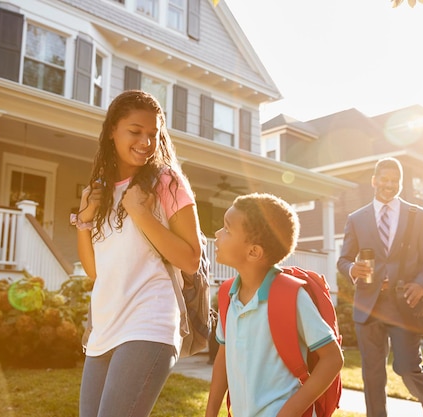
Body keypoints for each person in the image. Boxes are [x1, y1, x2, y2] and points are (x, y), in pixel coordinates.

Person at [72, 90, 202, 417]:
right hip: (104, 328)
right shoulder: (100, 190)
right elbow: (94, 271)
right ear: (112, 131)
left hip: (150, 321)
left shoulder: (167, 182)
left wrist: (142, 214)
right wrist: (84, 220)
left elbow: (190, 259)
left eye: (154, 134)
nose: (146, 141)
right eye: (136, 131)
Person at [205, 193, 343, 417]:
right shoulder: (227, 295)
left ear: (253, 252)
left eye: (227, 229)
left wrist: (289, 412)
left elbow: (333, 358)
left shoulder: (291, 296)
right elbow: (223, 355)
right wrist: (211, 412)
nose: (218, 234)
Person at [337, 157, 423, 417]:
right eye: (384, 179)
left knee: (406, 367)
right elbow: (344, 259)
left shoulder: (418, 216)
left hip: (405, 305)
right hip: (368, 306)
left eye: (395, 181)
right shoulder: (356, 218)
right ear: (374, 181)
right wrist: (352, 269)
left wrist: (421, 285)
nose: (390, 185)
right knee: (372, 375)